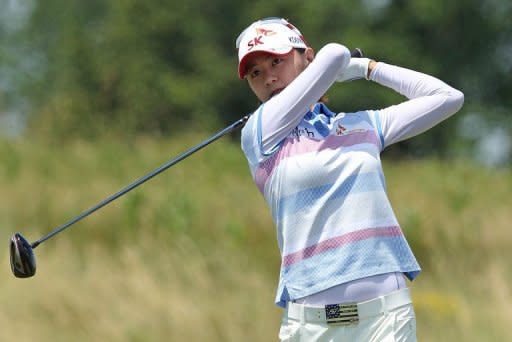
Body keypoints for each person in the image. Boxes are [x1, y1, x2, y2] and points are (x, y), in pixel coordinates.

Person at [235, 17, 464, 341]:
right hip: (310, 326)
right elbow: (334, 55)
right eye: (256, 73)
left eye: (277, 61)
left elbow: (448, 98)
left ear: (306, 57)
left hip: (386, 318)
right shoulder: (261, 133)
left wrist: (367, 68)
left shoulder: (363, 125)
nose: (269, 78)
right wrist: (334, 67)